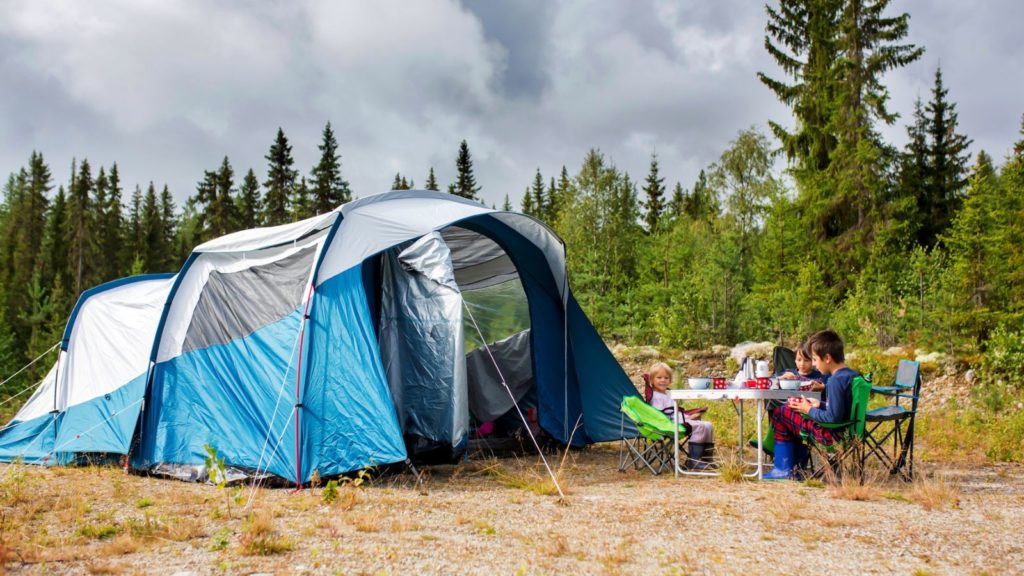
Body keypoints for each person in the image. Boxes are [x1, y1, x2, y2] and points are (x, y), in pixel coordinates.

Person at [764, 329, 859, 480]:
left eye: (814, 359)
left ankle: (783, 470)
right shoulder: (852, 375)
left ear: (827, 358)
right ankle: (797, 468)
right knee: (793, 411)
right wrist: (818, 404)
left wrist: (807, 409)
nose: (814, 364)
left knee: (781, 412)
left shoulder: (835, 380)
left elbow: (831, 418)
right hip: (847, 431)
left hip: (829, 435)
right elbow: (840, 409)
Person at [646, 362, 714, 470]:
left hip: (679, 419)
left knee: (708, 425)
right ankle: (694, 461)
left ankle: (706, 459)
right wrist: (686, 418)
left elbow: (674, 411)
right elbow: (662, 417)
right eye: (659, 377)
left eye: (666, 378)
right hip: (668, 425)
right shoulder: (656, 397)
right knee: (700, 427)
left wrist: (687, 417)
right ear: (651, 380)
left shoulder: (669, 394)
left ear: (670, 380)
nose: (663, 380)